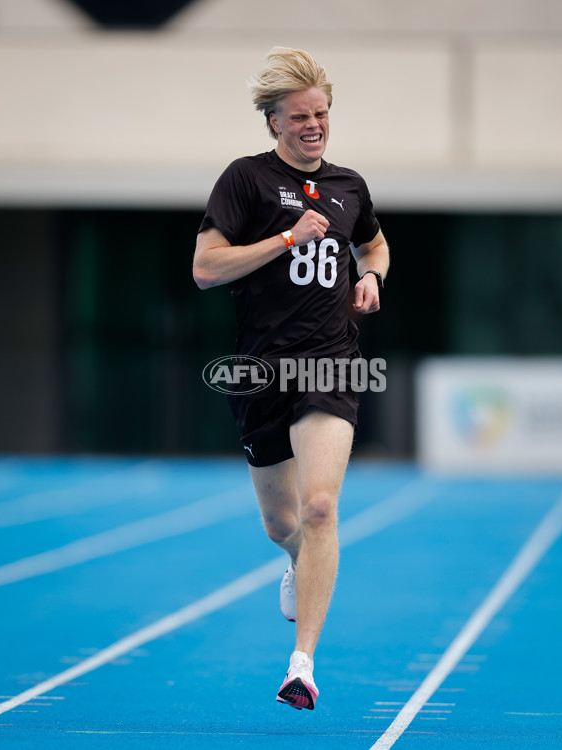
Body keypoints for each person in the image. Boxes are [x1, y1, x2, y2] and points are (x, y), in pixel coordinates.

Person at [193, 46, 389, 711]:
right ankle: (297, 561)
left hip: (329, 359)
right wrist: (285, 240)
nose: (314, 126)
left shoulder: (350, 186)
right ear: (273, 121)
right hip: (260, 370)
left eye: (322, 113)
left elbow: (375, 241)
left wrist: (371, 275)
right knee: (283, 523)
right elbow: (206, 269)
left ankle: (301, 664)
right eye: (300, 117)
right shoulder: (245, 181)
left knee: (320, 506)